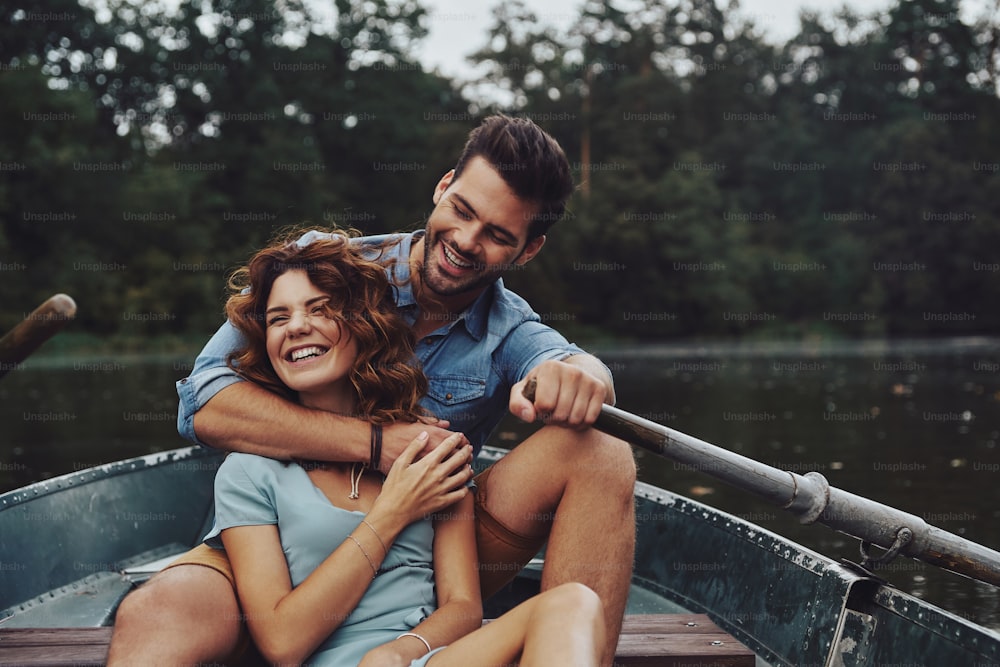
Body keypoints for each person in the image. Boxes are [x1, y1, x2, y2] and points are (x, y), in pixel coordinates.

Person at [107, 115, 636, 666]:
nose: (465, 240)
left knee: (600, 449)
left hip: (425, 541)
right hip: (276, 538)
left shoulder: (511, 331)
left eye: (498, 235)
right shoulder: (329, 272)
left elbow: (567, 361)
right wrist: (377, 444)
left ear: (527, 251)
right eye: (462, 210)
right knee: (158, 610)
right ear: (443, 186)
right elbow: (205, 402)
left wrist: (584, 376)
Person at [205, 232, 605, 666]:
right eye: (278, 318)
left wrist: (400, 652)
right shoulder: (247, 473)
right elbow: (283, 643)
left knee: (574, 604)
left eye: (320, 309)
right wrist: (393, 512)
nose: (298, 326)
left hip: (426, 659)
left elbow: (463, 606)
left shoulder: (428, 451)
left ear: (364, 325)